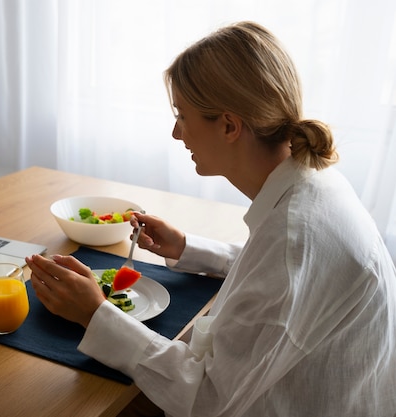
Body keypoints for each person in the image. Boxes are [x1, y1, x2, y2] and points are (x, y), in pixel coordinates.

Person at [25, 21, 396, 416]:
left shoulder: (293, 242)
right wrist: (188, 248)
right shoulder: (313, 184)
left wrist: (94, 315)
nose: (175, 133)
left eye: (182, 116)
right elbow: (272, 281)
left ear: (230, 126)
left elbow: (208, 400)